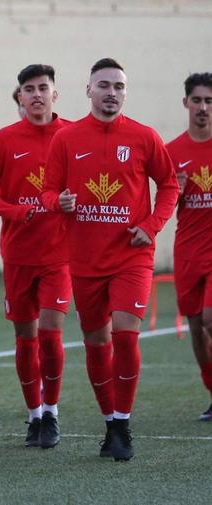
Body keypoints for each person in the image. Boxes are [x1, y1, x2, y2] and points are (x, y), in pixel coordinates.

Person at [41, 58, 179, 461]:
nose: (112, 92)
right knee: (96, 341)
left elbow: (169, 184)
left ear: (125, 92)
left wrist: (151, 226)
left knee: (124, 333)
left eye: (119, 86)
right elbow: (48, 191)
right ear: (88, 91)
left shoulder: (143, 136)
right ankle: (109, 422)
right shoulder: (66, 139)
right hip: (83, 259)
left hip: (132, 255)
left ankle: (122, 423)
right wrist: (58, 201)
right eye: (104, 85)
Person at [0, 64, 70, 449]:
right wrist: (16, 211)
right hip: (17, 254)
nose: (36, 95)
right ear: (19, 97)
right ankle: (33, 416)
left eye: (43, 88)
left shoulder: (72, 136)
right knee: (26, 338)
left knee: (50, 333)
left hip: (59, 255)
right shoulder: (7, 138)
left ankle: (52, 412)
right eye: (28, 89)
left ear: (54, 95)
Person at [165, 72, 212, 420]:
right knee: (196, 327)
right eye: (197, 100)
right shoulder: (171, 153)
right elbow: (162, 206)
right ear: (186, 103)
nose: (203, 107)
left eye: (209, 101)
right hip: (188, 251)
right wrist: (173, 193)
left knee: (211, 319)